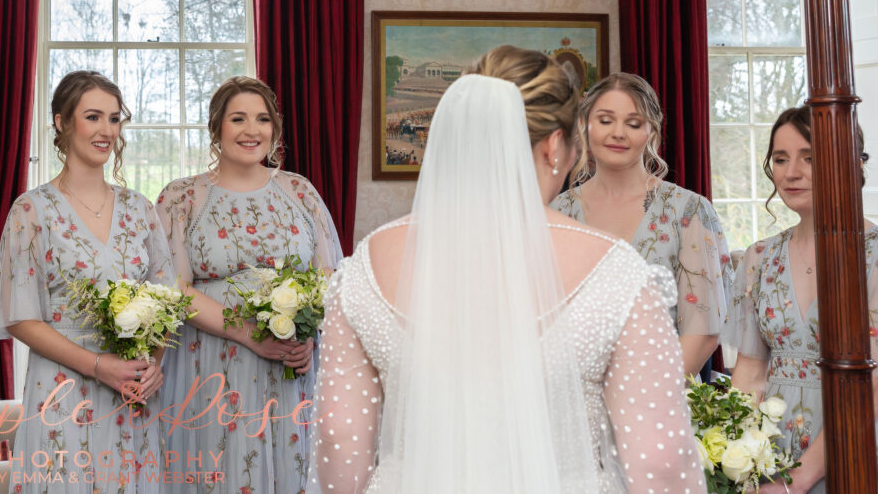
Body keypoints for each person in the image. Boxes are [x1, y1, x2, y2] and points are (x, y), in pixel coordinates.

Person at [310, 46, 705, 493]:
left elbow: (338, 435)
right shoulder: (617, 272)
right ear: (556, 145)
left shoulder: (369, 259)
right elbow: (660, 461)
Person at [0, 71, 176, 493]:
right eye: (93, 117)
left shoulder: (139, 208)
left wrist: (154, 367)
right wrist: (97, 366)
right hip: (61, 389)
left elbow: (168, 302)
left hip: (131, 391)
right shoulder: (31, 211)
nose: (106, 130)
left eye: (114, 119)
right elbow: (20, 318)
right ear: (61, 122)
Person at [156, 76, 343, 493]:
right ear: (217, 128)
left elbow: (327, 277)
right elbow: (175, 287)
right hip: (209, 364)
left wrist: (308, 336)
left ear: (274, 129)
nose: (251, 130)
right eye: (238, 118)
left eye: (262, 119)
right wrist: (246, 333)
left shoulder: (300, 191)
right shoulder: (181, 197)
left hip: (289, 367)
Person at [723, 105, 878, 493]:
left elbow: (873, 384)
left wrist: (802, 476)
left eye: (810, 157)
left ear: (850, 162)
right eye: (780, 158)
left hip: (858, 447)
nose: (791, 172)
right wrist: (738, 458)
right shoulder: (759, 258)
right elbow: (750, 375)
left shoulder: (875, 255)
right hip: (772, 455)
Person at [551, 73, 730, 377]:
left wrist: (648, 400)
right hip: (575, 399)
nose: (618, 133)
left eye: (633, 124)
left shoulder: (689, 211)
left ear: (651, 131)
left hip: (662, 395)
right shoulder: (559, 212)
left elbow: (703, 331)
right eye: (606, 120)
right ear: (585, 125)